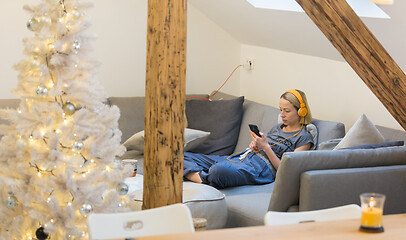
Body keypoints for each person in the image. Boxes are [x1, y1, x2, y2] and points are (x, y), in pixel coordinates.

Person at [183, 89, 314, 189]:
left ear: (301, 111)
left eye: (287, 111)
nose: (282, 115)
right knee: (181, 156)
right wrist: (256, 145)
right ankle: (206, 180)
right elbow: (263, 146)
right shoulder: (278, 128)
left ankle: (204, 176)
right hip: (244, 157)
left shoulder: (304, 138)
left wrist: (266, 147)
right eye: (281, 110)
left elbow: (287, 172)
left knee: (217, 170)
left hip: (261, 168)